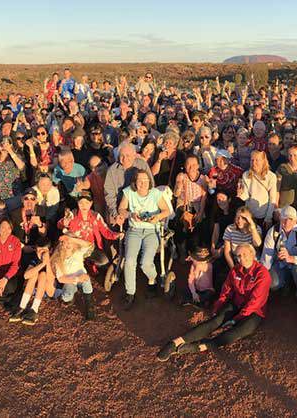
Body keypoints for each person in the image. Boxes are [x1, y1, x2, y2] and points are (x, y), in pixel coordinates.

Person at [156, 243, 270, 361]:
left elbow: (255, 302)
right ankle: (175, 342)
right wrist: (218, 307)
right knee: (215, 321)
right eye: (238, 256)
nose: (241, 258)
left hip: (254, 312)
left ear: (252, 254)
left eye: (245, 254)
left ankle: (200, 346)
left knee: (235, 333)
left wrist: (235, 319)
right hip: (237, 303)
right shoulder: (235, 270)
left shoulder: (262, 274)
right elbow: (226, 290)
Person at [116, 170, 172, 309]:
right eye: (140, 180)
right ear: (135, 182)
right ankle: (130, 293)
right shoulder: (129, 192)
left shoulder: (155, 194)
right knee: (129, 261)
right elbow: (121, 209)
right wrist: (130, 214)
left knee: (145, 263)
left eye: (146, 180)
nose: (143, 183)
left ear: (150, 181)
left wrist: (157, 217)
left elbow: (167, 210)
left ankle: (152, 279)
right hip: (134, 230)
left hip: (151, 231)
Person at [260, 206, 297, 312]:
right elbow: (266, 258)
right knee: (272, 282)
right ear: (280, 218)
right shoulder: (273, 232)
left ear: (296, 220)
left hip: (296, 264)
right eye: (284, 218)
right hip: (280, 265)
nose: (287, 222)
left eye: (290, 219)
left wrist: (291, 258)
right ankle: (286, 284)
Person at [104, 142, 154, 224]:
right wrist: (115, 214)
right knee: (112, 220)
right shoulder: (112, 170)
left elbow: (151, 185)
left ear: (134, 156)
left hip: (140, 205)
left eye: (128, 156)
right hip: (119, 206)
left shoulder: (142, 165)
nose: (124, 158)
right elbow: (109, 194)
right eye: (122, 155)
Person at [52, 234, 97, 320]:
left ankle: (89, 305)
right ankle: (71, 294)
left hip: (82, 279)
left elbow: (88, 245)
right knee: (66, 297)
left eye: (70, 243)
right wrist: (76, 279)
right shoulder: (58, 259)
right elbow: (61, 279)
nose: (68, 245)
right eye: (66, 243)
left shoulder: (78, 252)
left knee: (86, 280)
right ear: (61, 244)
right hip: (70, 281)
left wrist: (71, 238)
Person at [238, 150, 278, 229]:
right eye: (252, 160)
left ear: (263, 161)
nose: (254, 162)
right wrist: (240, 193)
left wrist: (268, 218)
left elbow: (272, 199)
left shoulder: (271, 176)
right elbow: (246, 197)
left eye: (257, 160)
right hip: (249, 214)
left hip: (263, 215)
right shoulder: (246, 175)